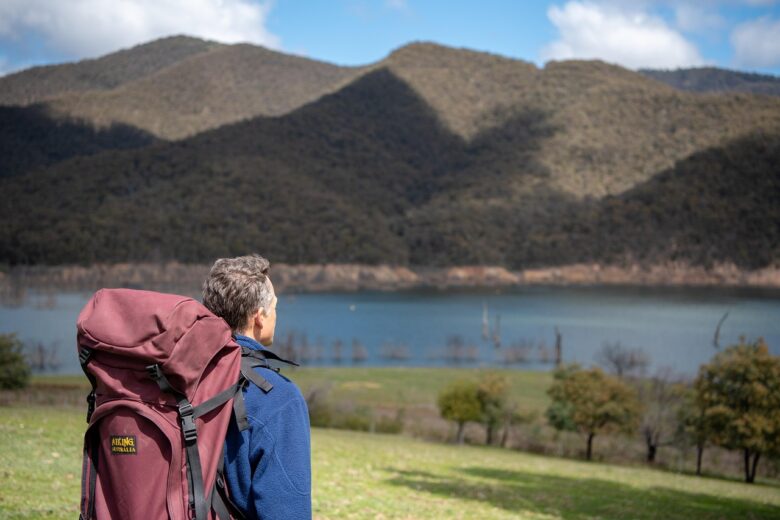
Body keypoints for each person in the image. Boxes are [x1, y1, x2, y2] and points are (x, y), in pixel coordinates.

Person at [202, 254, 312, 519]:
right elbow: (286, 510)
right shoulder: (278, 397)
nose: (276, 314)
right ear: (259, 316)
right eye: (275, 306)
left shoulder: (176, 376)